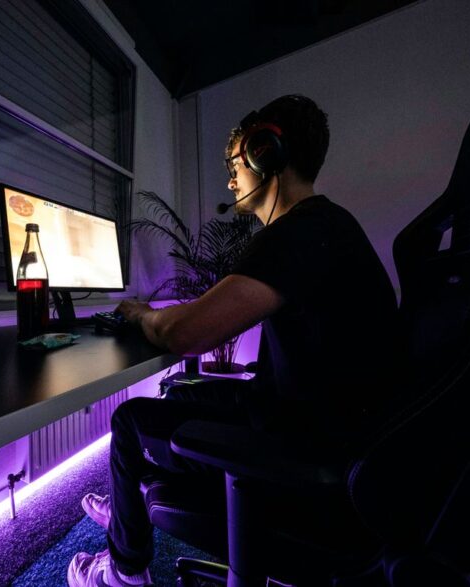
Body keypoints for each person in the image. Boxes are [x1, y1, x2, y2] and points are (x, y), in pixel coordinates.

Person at [67, 94, 401, 586]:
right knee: (178, 394)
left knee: (130, 420)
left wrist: (141, 314)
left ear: (268, 155)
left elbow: (186, 334)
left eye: (236, 164)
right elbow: (215, 312)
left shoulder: (297, 233)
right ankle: (128, 509)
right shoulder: (329, 226)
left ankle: (123, 571)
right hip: (329, 430)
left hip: (302, 454)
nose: (230, 179)